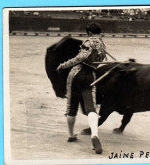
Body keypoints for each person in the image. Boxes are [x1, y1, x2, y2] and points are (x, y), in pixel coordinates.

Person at [56, 22, 107, 154]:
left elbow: (81, 57)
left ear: (89, 33)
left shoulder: (88, 42)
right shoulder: (103, 45)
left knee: (72, 107)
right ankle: (94, 134)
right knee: (91, 108)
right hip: (90, 76)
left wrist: (63, 65)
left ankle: (71, 135)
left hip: (77, 74)